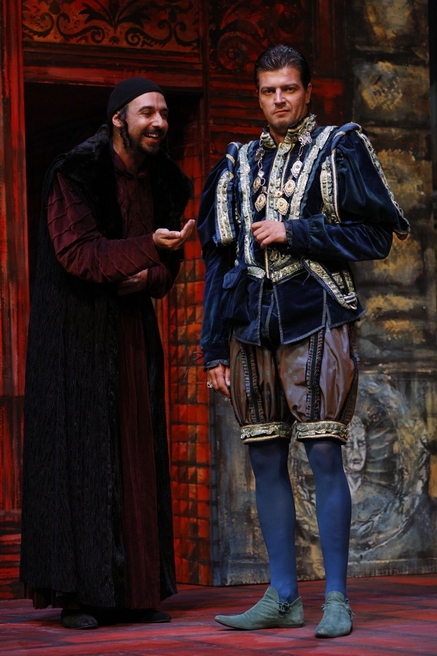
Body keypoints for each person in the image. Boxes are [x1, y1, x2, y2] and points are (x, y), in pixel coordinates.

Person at [198, 45, 409, 639]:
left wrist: (295, 230)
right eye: (268, 91)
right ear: (258, 96)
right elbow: (218, 261)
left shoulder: (338, 148)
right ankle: (283, 596)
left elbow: (376, 237)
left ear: (308, 91)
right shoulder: (238, 162)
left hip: (316, 317)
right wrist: (212, 348)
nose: (279, 100)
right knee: (264, 456)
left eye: (288, 88)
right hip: (249, 328)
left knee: (323, 453)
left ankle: (336, 599)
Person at [20, 77, 195, 629]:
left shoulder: (163, 178)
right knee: (85, 460)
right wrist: (147, 249)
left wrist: (151, 272)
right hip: (77, 339)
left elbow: (168, 267)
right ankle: (80, 595)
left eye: (163, 113)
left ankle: (136, 592)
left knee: (137, 457)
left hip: (132, 333)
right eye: (147, 113)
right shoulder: (76, 171)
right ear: (119, 118)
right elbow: (78, 253)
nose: (159, 122)